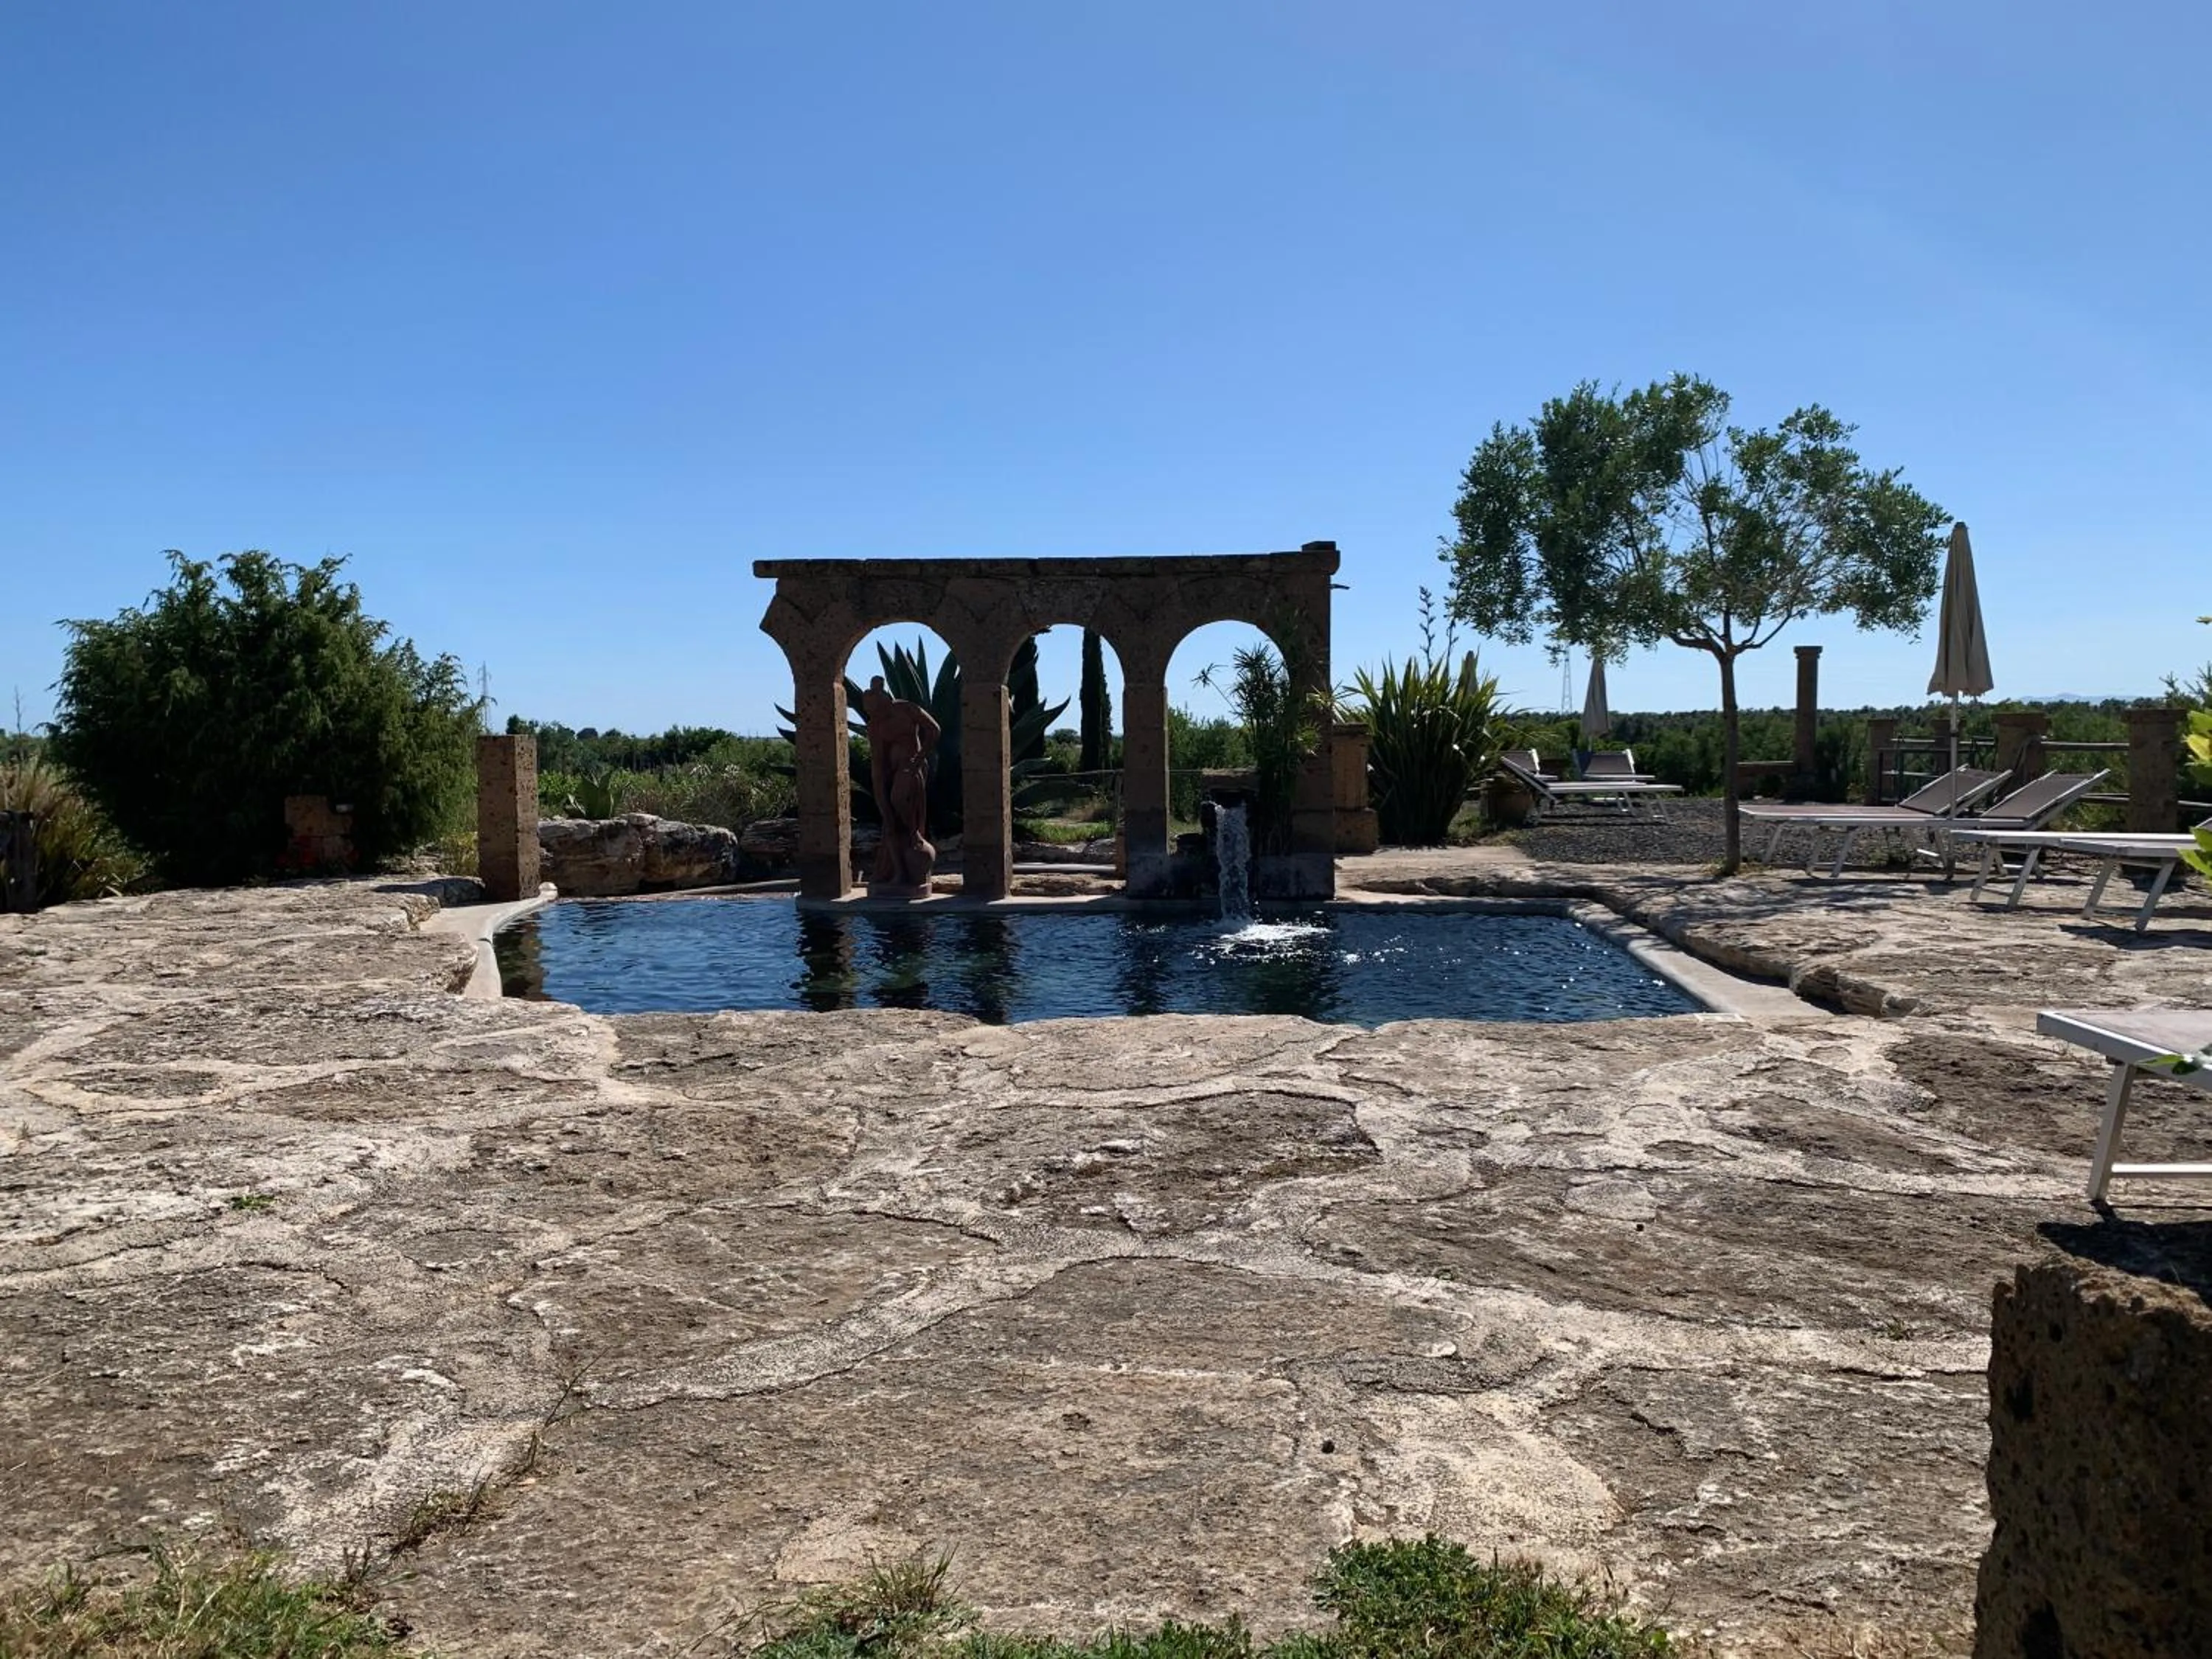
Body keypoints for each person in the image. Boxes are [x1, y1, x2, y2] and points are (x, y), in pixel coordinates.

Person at [860, 675, 940, 891]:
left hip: (912, 767)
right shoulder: (875, 726)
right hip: (892, 772)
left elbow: (934, 730)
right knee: (890, 822)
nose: (880, 716)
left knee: (899, 800)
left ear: (886, 701)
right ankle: (898, 872)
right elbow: (878, 764)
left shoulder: (906, 709)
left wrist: (919, 758)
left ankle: (914, 833)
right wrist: (880, 797)